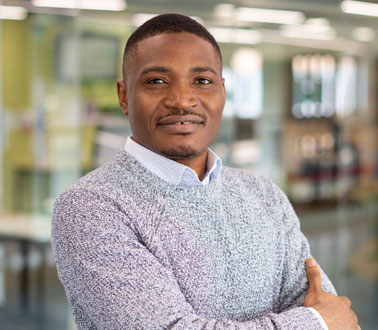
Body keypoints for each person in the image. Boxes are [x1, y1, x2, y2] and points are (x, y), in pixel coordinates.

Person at [51, 13, 358, 330]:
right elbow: (324, 319)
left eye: (202, 81)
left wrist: (318, 319)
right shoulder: (90, 207)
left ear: (222, 92)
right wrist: (313, 323)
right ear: (124, 96)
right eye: (157, 81)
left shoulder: (263, 194)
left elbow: (324, 303)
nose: (182, 100)